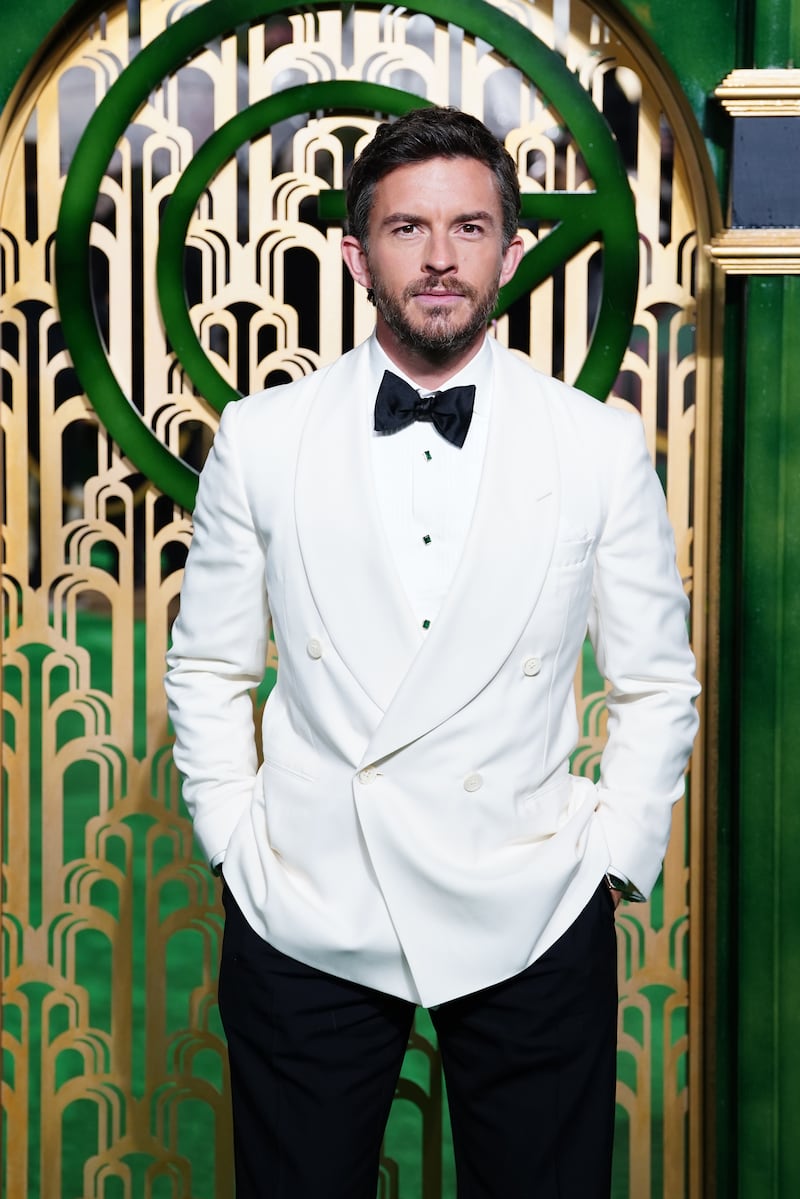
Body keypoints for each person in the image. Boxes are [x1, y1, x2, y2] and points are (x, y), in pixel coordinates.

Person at [165, 106, 700, 1199]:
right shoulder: (262, 437)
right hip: (308, 901)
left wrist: (608, 862)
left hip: (534, 898)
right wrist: (235, 842)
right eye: (408, 229)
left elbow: (653, 680)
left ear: (509, 249)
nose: (440, 258)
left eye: (468, 228)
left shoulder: (593, 442)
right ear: (357, 253)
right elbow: (209, 668)